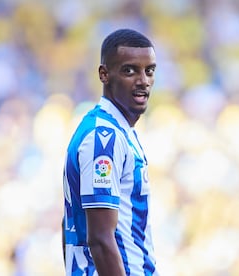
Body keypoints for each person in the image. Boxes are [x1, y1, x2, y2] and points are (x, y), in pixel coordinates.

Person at [62, 28, 158, 275]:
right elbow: (101, 240)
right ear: (104, 74)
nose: (143, 80)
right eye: (130, 70)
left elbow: (70, 223)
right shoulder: (103, 138)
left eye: (149, 71)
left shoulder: (119, 131)